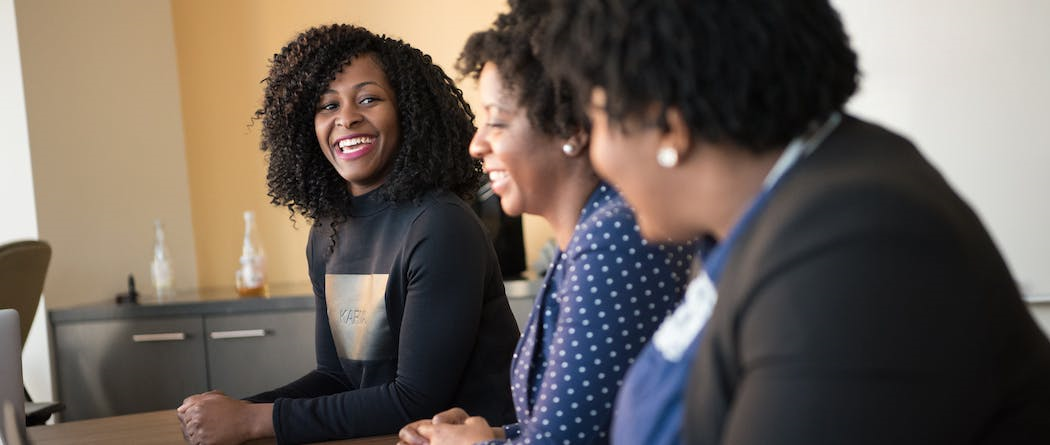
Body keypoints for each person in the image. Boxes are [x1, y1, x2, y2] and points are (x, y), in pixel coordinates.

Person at [536, 0, 1050, 444]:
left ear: (669, 126)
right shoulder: (781, 208)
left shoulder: (856, 244)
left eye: (598, 122)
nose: (596, 157)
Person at [177, 24, 520, 445]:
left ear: (408, 112)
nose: (346, 117)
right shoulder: (328, 231)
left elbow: (416, 399)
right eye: (327, 105)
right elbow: (336, 376)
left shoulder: (440, 225)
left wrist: (253, 420)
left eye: (369, 99)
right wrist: (240, 410)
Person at [397, 3, 694, 444]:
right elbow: (590, 423)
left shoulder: (613, 237)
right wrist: (498, 434)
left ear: (572, 127)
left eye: (496, 121)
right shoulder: (589, 232)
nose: (477, 144)